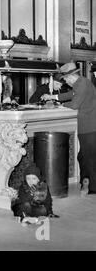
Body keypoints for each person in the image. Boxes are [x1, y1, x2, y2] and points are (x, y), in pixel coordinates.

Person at [42, 62, 96, 196]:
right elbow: (71, 94)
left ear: (71, 76)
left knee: (88, 157)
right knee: (83, 156)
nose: (65, 81)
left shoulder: (82, 84)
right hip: (89, 125)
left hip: (89, 126)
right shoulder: (81, 82)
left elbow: (75, 104)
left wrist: (58, 105)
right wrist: (53, 97)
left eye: (65, 79)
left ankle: (93, 187)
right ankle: (87, 182)